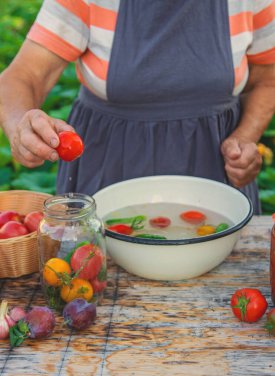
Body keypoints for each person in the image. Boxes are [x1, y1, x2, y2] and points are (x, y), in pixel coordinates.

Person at [0, 0, 274, 215]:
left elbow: (268, 80)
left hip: (216, 176)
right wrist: (20, 125)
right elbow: (21, 78)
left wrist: (244, 137)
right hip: (107, 171)